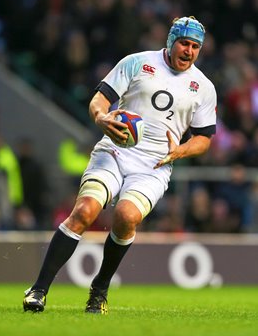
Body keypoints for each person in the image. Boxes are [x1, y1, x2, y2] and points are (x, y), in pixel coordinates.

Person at [23, 16, 217, 314]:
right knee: (85, 210)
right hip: (114, 151)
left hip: (155, 165)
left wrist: (180, 151)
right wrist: (102, 118)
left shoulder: (203, 87)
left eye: (195, 46)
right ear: (170, 41)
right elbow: (99, 100)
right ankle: (38, 289)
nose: (189, 51)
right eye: (184, 43)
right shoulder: (136, 62)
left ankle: (99, 291)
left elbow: (204, 138)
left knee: (126, 216)